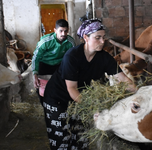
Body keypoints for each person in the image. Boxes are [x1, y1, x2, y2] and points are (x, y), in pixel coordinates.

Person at [42, 18, 136, 150]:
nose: (102, 41)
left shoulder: (104, 58)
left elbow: (124, 80)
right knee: (62, 141)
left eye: (103, 37)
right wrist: (93, 109)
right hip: (58, 99)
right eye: (97, 37)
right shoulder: (72, 56)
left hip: (81, 99)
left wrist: (138, 92)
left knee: (81, 140)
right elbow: (72, 88)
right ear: (86, 37)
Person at [32, 19, 76, 105]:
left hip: (59, 65)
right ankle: (44, 104)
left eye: (66, 31)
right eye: (61, 31)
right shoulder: (45, 42)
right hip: (44, 65)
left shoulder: (71, 42)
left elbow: (73, 58)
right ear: (55, 30)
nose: (63, 34)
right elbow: (36, 58)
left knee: (60, 86)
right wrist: (35, 74)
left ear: (68, 30)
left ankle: (58, 104)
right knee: (41, 89)